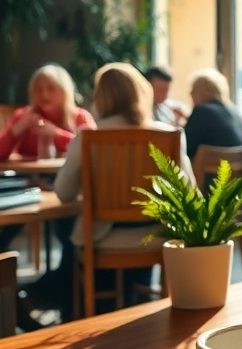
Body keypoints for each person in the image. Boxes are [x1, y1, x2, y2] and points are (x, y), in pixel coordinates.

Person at [55, 63, 195, 254]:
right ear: (141, 92)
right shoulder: (169, 135)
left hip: (101, 233)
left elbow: (63, 193)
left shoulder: (87, 138)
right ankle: (136, 283)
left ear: (100, 97)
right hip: (157, 231)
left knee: (64, 226)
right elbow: (187, 191)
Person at [0, 64, 96, 161]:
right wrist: (16, 130)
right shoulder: (24, 116)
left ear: (64, 91)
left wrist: (56, 134)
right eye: (38, 89)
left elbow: (95, 149)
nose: (44, 95)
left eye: (51, 88)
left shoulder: (80, 116)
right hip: (29, 179)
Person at [184, 68, 242, 153]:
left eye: (193, 89)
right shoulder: (234, 111)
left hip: (207, 165)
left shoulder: (201, 111)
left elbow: (186, 146)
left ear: (202, 92)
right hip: (233, 165)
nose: (190, 93)